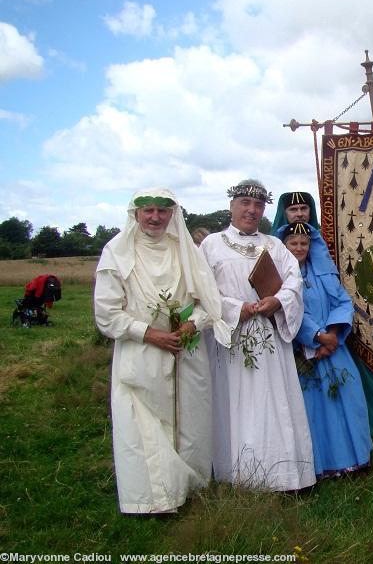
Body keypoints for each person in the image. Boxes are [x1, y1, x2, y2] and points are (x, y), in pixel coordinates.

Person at [94, 188, 231, 514]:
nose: (155, 217)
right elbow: (107, 314)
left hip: (186, 353)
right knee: (144, 427)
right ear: (136, 214)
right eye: (148, 211)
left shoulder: (185, 250)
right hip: (142, 355)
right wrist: (149, 334)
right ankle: (151, 499)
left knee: (190, 421)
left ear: (173, 214)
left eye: (162, 211)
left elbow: (208, 303)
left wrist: (191, 325)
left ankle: (191, 489)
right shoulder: (117, 251)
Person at [200, 180, 316, 491]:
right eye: (245, 204)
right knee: (236, 403)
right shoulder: (211, 245)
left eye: (258, 206)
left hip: (269, 335)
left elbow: (294, 283)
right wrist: (237, 308)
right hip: (231, 337)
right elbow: (201, 292)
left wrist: (277, 301)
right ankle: (236, 472)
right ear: (232, 206)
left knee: (273, 402)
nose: (251, 210)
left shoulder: (275, 245)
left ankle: (281, 474)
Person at [272, 190, 373, 436]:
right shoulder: (275, 256)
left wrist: (332, 334)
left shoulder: (322, 250)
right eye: (293, 210)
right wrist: (317, 336)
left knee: (348, 393)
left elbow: (340, 296)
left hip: (335, 339)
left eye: (304, 209)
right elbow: (286, 305)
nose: (299, 214)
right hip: (297, 343)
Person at [278, 222, 373, 478]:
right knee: (315, 409)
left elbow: (343, 301)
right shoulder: (281, 277)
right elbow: (288, 310)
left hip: (334, 347)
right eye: (293, 243)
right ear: (284, 245)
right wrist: (317, 337)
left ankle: (355, 459)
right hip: (304, 351)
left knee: (349, 398)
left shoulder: (324, 273)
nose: (299, 248)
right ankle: (319, 466)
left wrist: (332, 335)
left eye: (304, 243)